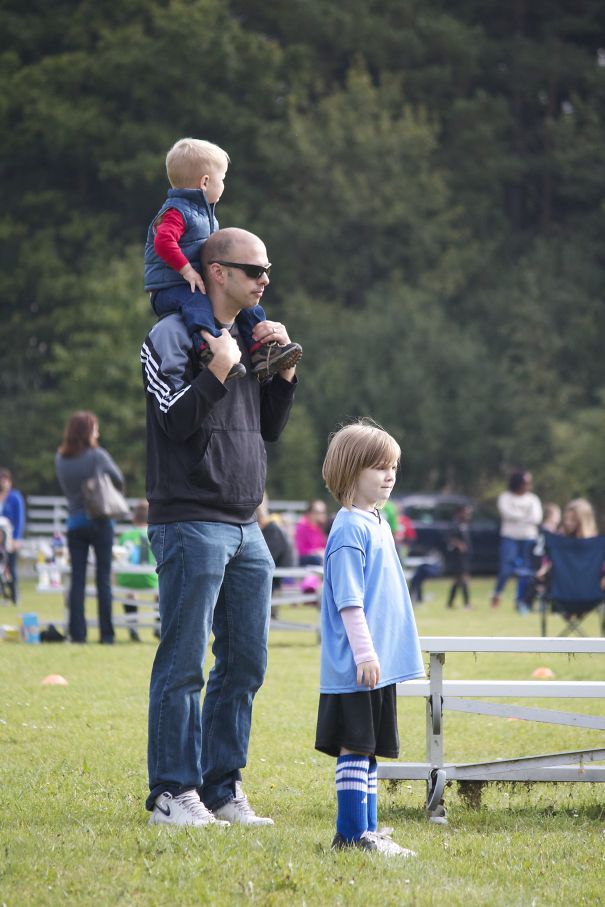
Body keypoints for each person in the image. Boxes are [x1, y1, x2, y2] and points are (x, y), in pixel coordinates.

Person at [142, 226, 297, 827]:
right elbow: (174, 421)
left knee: (246, 663)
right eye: (252, 270)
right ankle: (170, 793)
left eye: (266, 270)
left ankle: (221, 789)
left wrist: (279, 375)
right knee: (183, 664)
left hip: (246, 523)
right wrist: (217, 371)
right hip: (189, 519)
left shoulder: (246, 336)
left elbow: (269, 429)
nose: (264, 280)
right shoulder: (170, 334)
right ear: (216, 272)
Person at [315, 420, 424, 856]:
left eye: (393, 465)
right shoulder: (348, 529)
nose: (389, 474)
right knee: (356, 746)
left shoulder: (377, 521)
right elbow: (349, 602)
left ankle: (369, 830)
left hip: (379, 665)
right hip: (360, 665)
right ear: (349, 471)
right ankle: (351, 834)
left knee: (371, 747)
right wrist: (364, 652)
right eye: (379, 466)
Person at [144, 137, 302, 380]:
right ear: (205, 181)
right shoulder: (175, 212)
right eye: (223, 179)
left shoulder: (202, 214)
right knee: (197, 305)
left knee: (250, 308)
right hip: (170, 287)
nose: (224, 185)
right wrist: (186, 270)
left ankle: (262, 352)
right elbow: (163, 242)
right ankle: (207, 350)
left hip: (192, 282)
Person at [55, 411, 125, 644]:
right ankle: (106, 634)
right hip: (100, 521)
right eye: (95, 428)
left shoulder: (60, 458)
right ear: (87, 431)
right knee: (103, 579)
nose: (98, 432)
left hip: (74, 523)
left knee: (77, 581)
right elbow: (119, 480)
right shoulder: (97, 456)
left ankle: (78, 634)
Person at [491, 470, 543, 613]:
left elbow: (536, 518)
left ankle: (521, 601)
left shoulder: (533, 499)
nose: (528, 485)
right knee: (506, 570)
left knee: (526, 571)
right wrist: (525, 516)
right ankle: (497, 594)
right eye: (525, 482)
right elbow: (507, 514)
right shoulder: (505, 497)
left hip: (528, 538)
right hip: (509, 538)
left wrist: (519, 517)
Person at [115, 500, 159, 642]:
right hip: (150, 580)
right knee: (161, 590)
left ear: (134, 518)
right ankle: (158, 625)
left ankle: (132, 627)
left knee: (130, 592)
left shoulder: (125, 535)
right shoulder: (154, 534)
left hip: (127, 580)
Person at [0, 468, 26, 604]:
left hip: (9, 538)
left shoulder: (15, 497)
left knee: (11, 566)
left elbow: (20, 519)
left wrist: (16, 538)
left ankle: (14, 595)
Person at [445, 504, 473, 610]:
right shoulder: (454, 524)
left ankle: (449, 603)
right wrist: (458, 544)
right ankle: (467, 604)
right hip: (457, 557)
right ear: (459, 513)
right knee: (464, 578)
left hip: (464, 557)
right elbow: (448, 538)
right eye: (466, 512)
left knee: (457, 581)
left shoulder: (465, 524)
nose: (468, 515)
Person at [294, 500, 328, 566]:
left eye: (323, 512)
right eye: (318, 512)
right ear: (310, 513)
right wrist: (316, 552)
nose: (322, 515)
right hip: (307, 561)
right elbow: (300, 550)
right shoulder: (301, 528)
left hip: (319, 559)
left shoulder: (322, 529)